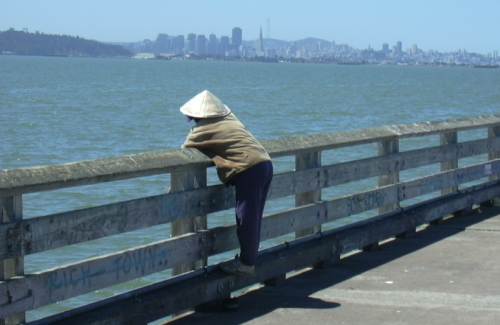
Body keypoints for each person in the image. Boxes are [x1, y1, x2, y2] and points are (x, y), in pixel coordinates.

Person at [180, 90, 273, 276]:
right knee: (254, 217)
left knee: (245, 218)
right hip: (265, 163)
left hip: (248, 169)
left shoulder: (202, 130)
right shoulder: (231, 121)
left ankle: (247, 264)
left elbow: (184, 151)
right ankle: (249, 259)